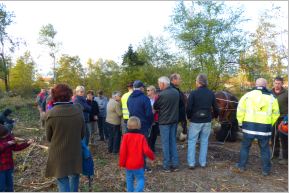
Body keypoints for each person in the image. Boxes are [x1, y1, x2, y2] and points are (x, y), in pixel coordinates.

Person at [45, 84, 85, 192]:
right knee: (74, 176)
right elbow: (83, 134)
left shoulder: (50, 114)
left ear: (54, 96)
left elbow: (49, 137)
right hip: (75, 151)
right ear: (69, 95)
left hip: (58, 153)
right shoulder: (78, 110)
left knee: (62, 179)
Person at [235, 78, 280, 176]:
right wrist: (270, 124)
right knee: (264, 149)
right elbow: (276, 114)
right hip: (264, 128)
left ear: (255, 84)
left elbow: (240, 110)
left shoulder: (247, 96)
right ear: (266, 85)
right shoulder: (272, 97)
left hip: (248, 127)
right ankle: (265, 170)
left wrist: (240, 123)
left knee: (245, 147)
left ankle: (241, 166)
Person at [186, 74, 219, 169]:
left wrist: (189, 117)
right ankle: (203, 163)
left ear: (199, 82)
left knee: (192, 141)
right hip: (207, 120)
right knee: (204, 141)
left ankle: (191, 163)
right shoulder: (211, 93)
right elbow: (216, 108)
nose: (195, 83)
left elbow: (188, 108)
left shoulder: (193, 93)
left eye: (196, 81)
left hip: (195, 121)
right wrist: (214, 116)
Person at [119, 116, 155, 192]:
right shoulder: (141, 137)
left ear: (128, 126)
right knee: (141, 179)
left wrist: (122, 163)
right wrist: (152, 157)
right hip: (139, 164)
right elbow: (147, 150)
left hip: (128, 165)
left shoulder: (125, 137)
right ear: (139, 126)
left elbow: (122, 151)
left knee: (129, 180)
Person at [153, 76, 179, 172]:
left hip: (164, 122)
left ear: (163, 84)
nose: (159, 85)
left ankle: (166, 165)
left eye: (159, 84)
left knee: (165, 143)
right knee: (172, 142)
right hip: (174, 121)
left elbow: (155, 106)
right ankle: (175, 164)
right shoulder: (176, 92)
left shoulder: (162, 94)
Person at [127, 80, 154, 172]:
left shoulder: (129, 98)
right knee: (143, 147)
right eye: (143, 87)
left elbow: (130, 110)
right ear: (141, 88)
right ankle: (142, 166)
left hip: (132, 125)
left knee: (134, 146)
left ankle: (134, 164)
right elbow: (149, 114)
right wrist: (150, 123)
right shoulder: (145, 99)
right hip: (143, 126)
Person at [0, 124, 34, 192]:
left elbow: (16, 148)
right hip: (1, 168)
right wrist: (7, 144)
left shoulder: (8, 136)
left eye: (7, 134)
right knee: (1, 187)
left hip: (9, 165)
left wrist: (27, 143)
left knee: (10, 187)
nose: (6, 136)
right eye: (4, 136)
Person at [271, 77, 288, 165]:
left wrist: (286, 119)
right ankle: (275, 156)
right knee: (274, 137)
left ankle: (285, 158)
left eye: (279, 83)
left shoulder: (286, 93)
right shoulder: (270, 93)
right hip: (273, 118)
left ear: (282, 84)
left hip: (284, 119)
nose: (277, 85)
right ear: (273, 83)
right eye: (276, 83)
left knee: (284, 139)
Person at [170, 73, 188, 140]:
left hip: (177, 118)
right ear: (174, 80)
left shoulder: (177, 90)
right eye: (179, 79)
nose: (181, 80)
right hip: (173, 118)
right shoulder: (172, 91)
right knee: (171, 138)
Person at [146, 85, 160, 152]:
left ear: (153, 91)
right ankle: (149, 148)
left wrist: (155, 109)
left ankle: (152, 147)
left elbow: (160, 107)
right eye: (147, 90)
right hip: (149, 120)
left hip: (156, 119)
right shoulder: (146, 99)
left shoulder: (157, 98)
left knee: (155, 134)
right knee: (149, 135)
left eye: (148, 90)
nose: (147, 92)